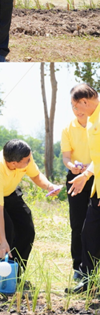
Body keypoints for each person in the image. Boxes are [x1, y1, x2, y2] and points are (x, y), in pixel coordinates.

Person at [0, 139, 60, 276]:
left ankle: (16, 274)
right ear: (14, 163)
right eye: (27, 161)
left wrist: (49, 186)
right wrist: (2, 242)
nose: (30, 162)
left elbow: (36, 176)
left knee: (27, 229)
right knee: (6, 232)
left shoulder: (24, 157)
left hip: (10, 191)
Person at [66, 84, 99, 293]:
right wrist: (85, 177)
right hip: (96, 186)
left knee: (91, 232)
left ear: (85, 102)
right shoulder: (91, 123)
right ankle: (89, 281)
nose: (76, 111)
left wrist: (85, 175)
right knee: (89, 232)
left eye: (76, 106)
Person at [60, 84, 94, 282]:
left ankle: (93, 265)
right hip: (76, 179)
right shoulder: (67, 128)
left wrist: (89, 169)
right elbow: (66, 157)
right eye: (73, 107)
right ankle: (78, 266)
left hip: (95, 176)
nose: (76, 111)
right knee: (77, 224)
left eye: (78, 106)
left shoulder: (96, 125)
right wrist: (72, 166)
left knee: (94, 224)